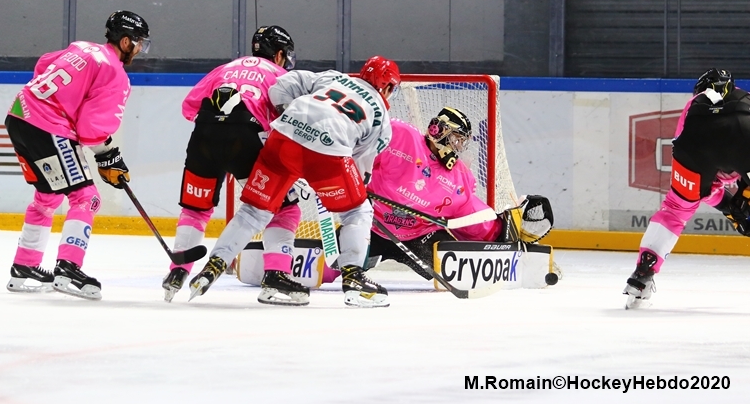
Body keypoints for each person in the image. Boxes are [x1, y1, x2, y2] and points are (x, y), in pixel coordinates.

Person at [188, 55, 401, 308]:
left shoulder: (334, 77)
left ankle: (213, 266)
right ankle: (354, 280)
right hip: (328, 152)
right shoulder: (382, 117)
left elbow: (281, 86)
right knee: (357, 210)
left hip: (282, 137)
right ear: (387, 86)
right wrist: (326, 178)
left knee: (254, 211)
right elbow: (358, 164)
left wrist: (289, 118)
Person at [5, 10, 150, 300]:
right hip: (47, 126)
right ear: (125, 42)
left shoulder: (81, 47)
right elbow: (91, 130)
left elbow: (44, 64)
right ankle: (68, 268)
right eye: (138, 43)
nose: (139, 49)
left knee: (47, 197)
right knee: (87, 197)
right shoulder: (116, 74)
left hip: (19, 115)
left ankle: (25, 266)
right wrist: (108, 156)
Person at [321, 107, 553, 283]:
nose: (458, 147)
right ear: (438, 131)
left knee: (449, 272)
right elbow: (357, 150)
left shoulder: (458, 177)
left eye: (461, 143)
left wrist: (504, 231)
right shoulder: (400, 136)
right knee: (326, 268)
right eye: (456, 139)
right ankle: (365, 257)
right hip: (372, 226)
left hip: (419, 236)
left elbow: (469, 215)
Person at [160, 25, 303, 303]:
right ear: (281, 54)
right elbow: (293, 118)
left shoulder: (224, 69)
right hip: (245, 136)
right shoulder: (281, 74)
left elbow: (189, 106)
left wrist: (217, 134)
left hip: (203, 135)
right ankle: (276, 278)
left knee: (195, 208)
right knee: (284, 209)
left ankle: (177, 272)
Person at [623, 68, 750, 308]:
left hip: (694, 151)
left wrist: (727, 204)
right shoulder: (746, 97)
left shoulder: (693, 106)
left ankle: (642, 274)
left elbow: (700, 177)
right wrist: (742, 190)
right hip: (745, 140)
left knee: (674, 209)